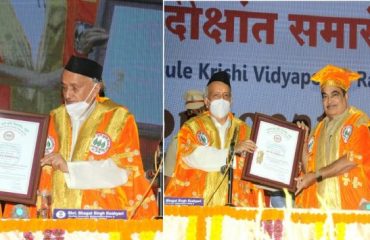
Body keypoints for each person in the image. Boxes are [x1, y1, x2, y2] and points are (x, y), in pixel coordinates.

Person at [4, 56, 157, 219]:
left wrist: (69, 168)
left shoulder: (117, 119)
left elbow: (124, 172)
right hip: (52, 222)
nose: (67, 95)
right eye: (64, 88)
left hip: (96, 222)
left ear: (96, 87)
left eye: (74, 88)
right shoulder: (53, 118)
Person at [165, 71, 263, 207]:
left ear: (231, 100)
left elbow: (259, 166)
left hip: (237, 210)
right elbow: (194, 157)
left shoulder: (245, 130)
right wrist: (232, 151)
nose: (222, 100)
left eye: (226, 96)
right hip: (200, 209)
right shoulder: (192, 127)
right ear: (207, 100)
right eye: (216, 96)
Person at [295, 64, 370, 210]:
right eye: (325, 96)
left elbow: (351, 160)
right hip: (319, 209)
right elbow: (307, 169)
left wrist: (316, 175)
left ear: (346, 96)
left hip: (351, 206)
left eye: (334, 95)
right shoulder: (318, 129)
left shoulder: (358, 122)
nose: (329, 101)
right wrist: (302, 142)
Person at [164, 89, 206, 188]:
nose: (196, 117)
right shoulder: (177, 142)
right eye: (193, 113)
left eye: (200, 112)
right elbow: (168, 182)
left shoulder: (217, 139)